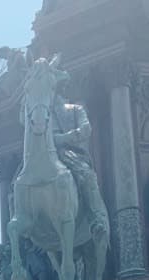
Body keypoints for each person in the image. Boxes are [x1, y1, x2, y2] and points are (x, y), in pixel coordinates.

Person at [50, 71, 108, 239]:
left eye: (56, 89)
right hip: (50, 153)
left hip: (72, 154)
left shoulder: (76, 109)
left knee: (87, 177)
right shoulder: (45, 114)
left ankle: (96, 218)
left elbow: (86, 129)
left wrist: (63, 138)